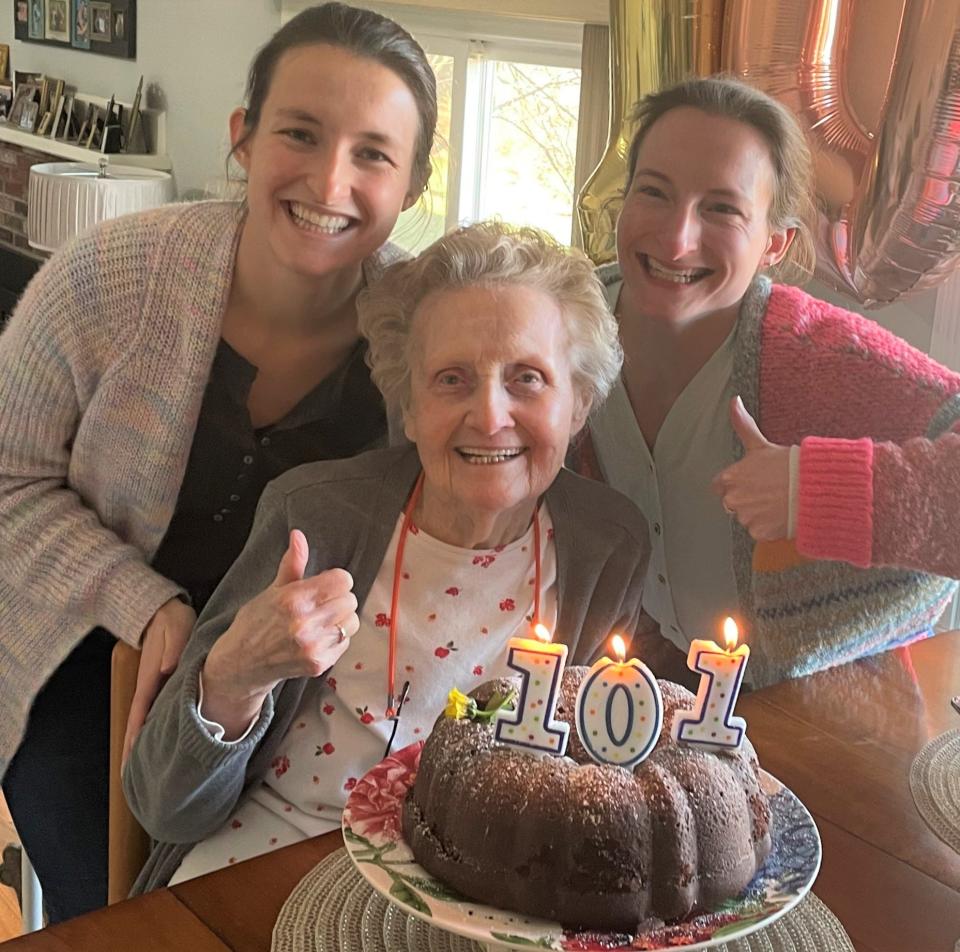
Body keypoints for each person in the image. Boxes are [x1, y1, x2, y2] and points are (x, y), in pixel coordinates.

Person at [0, 2, 437, 922]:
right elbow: (9, 479)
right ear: (242, 138)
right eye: (300, 134)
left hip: (297, 696)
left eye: (373, 153)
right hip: (83, 658)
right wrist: (146, 602)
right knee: (129, 915)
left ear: (415, 182)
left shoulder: (421, 333)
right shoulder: (108, 276)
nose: (330, 178)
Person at [123, 221, 648, 892]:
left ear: (578, 404)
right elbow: (162, 805)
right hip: (263, 869)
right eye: (452, 379)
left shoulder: (608, 546)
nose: (490, 417)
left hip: (469, 901)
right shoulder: (315, 517)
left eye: (527, 379)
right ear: (409, 399)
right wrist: (232, 680)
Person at [571, 76, 960, 688]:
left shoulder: (819, 356)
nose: (676, 238)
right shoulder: (563, 330)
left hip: (831, 711)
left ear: (774, 244)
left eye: (722, 208)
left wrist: (815, 490)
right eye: (654, 192)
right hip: (664, 698)